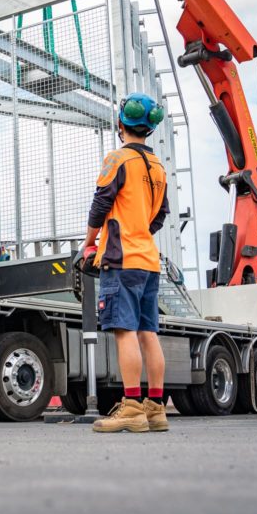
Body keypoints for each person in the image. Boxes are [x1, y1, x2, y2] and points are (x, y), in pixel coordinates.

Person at [83, 92, 170, 433]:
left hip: (122, 260)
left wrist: (90, 242)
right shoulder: (159, 168)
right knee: (149, 332)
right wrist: (139, 230)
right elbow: (159, 216)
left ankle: (132, 408)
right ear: (149, 129)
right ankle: (156, 409)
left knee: (125, 332)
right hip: (149, 260)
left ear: (121, 125)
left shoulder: (117, 159)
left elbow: (100, 203)